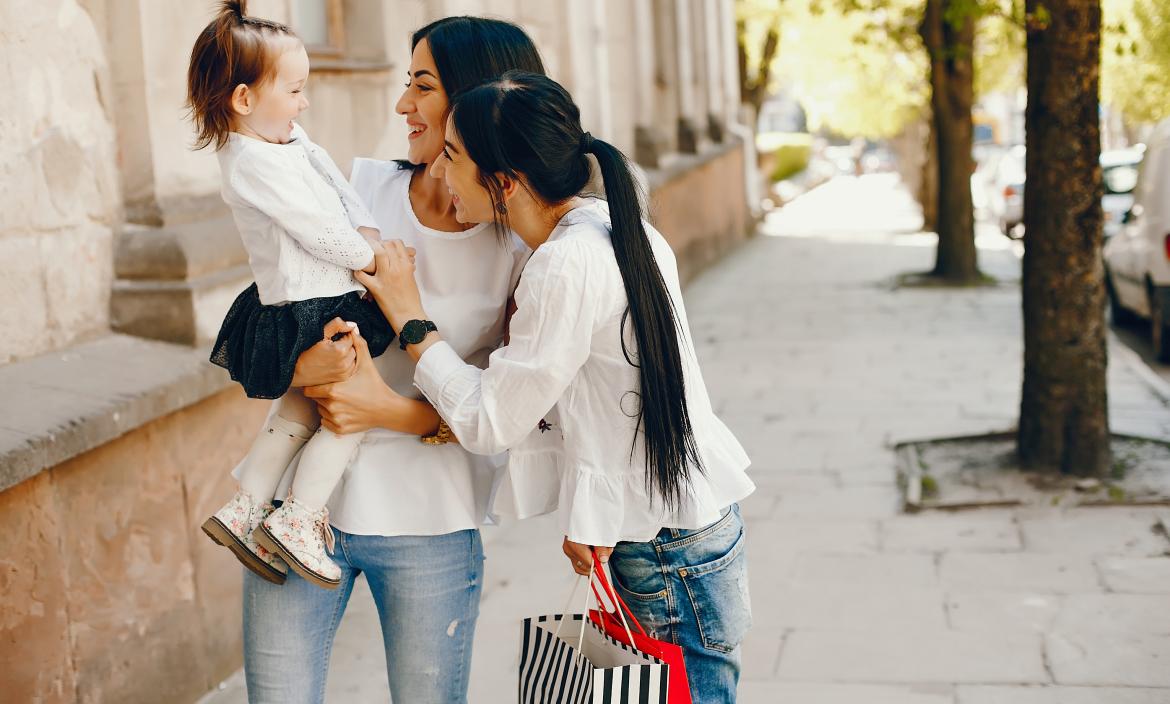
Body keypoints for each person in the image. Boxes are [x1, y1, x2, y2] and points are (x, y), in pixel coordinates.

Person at [357, 71, 756, 703]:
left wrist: (412, 320)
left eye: (455, 157)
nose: (439, 171)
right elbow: (616, 399)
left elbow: (489, 420)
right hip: (680, 532)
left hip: (662, 554)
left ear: (505, 182)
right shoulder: (613, 227)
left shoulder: (565, 264)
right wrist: (594, 511)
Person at [235, 18, 547, 704]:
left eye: (423, 86)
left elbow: (510, 411)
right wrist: (299, 371)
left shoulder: (521, 247)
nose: (403, 104)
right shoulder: (359, 191)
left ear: (477, 100)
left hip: (429, 521)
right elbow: (276, 316)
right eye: (407, 83)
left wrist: (385, 410)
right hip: (299, 511)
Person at [186, 0, 397, 589]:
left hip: (319, 297)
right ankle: (299, 518)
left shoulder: (286, 139)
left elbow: (332, 183)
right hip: (309, 305)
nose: (305, 103)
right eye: (295, 89)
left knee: (304, 406)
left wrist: (367, 227)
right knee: (347, 413)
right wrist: (370, 257)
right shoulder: (249, 159)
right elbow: (315, 227)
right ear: (244, 100)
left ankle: (248, 503)